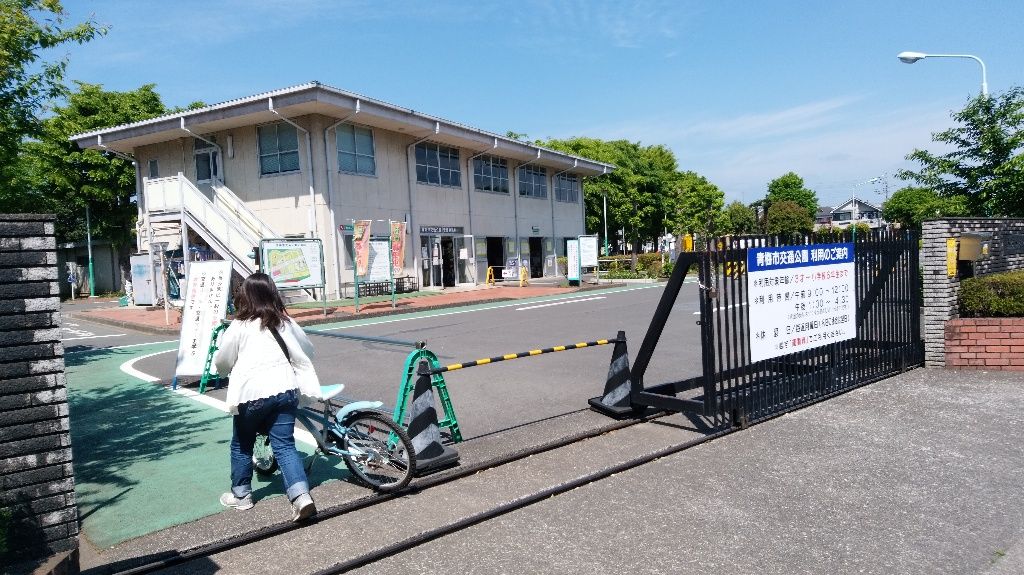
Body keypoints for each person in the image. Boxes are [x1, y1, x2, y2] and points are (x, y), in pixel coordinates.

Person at [214, 272, 322, 522]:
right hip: (285, 390)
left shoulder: (239, 325)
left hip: (252, 395)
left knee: (242, 443)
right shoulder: (284, 322)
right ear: (272, 293)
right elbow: (307, 349)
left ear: (246, 296)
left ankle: (242, 496)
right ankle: (301, 496)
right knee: (284, 445)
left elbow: (222, 361)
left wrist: (222, 371)